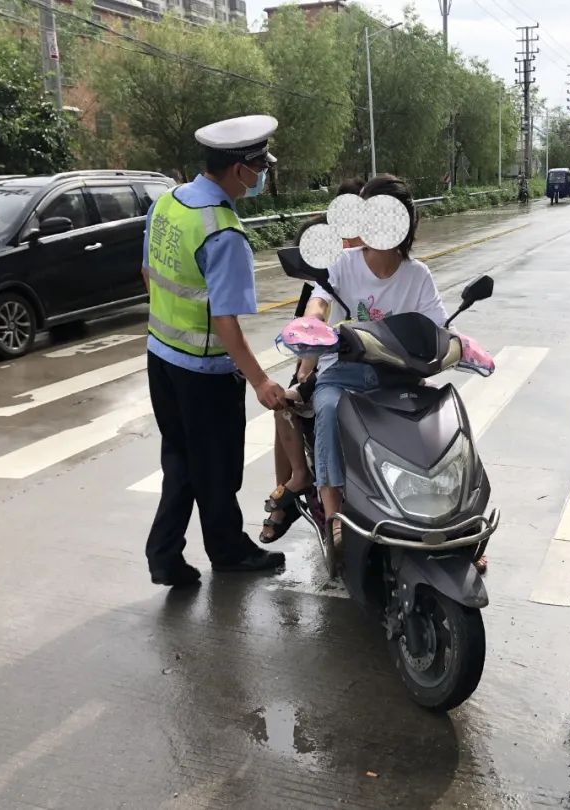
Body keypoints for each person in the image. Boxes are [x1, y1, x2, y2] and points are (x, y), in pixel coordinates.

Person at [260, 175, 490, 574]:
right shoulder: (343, 265)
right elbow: (319, 302)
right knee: (328, 409)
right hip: (344, 374)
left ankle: (460, 521)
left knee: (447, 417)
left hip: (399, 378)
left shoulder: (417, 275)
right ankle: (333, 514)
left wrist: (456, 344)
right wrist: (312, 324)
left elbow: (437, 325)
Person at [141, 114, 288, 588]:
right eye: (260, 165)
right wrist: (261, 381)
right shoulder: (223, 233)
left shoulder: (168, 202)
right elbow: (227, 323)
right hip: (204, 373)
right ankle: (227, 552)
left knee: (182, 461)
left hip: (161, 358)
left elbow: (148, 273)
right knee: (218, 467)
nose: (262, 174)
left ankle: (164, 556)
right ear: (239, 170)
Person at [268, 177, 365, 523]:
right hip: (328, 365)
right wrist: (304, 374)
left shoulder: (396, 269)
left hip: (381, 366)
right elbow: (314, 322)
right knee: (284, 402)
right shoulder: (329, 269)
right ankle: (295, 483)